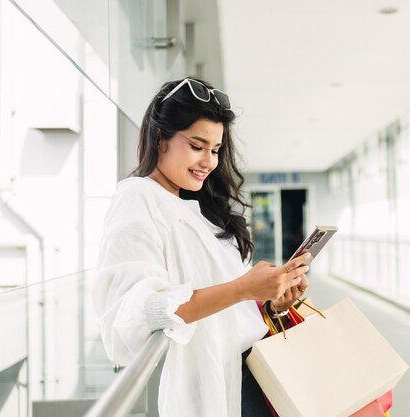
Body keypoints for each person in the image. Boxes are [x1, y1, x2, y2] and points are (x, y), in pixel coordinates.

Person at [92, 77, 310, 417]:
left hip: (254, 370)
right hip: (218, 383)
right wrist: (242, 288)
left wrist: (268, 301)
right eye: (197, 146)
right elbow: (140, 312)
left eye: (215, 149)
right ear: (160, 137)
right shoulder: (138, 198)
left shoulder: (197, 207)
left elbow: (225, 305)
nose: (208, 162)